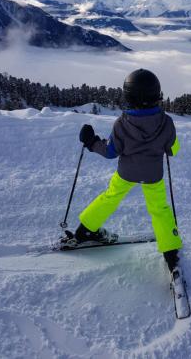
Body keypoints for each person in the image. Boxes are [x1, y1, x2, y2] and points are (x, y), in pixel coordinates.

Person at [66, 69, 182, 272]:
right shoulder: (167, 122)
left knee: (110, 197)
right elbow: (173, 149)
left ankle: (84, 231)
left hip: (126, 173)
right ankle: (171, 253)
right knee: (159, 209)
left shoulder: (122, 123)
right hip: (153, 176)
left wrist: (91, 142)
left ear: (128, 96)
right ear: (157, 94)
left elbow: (111, 151)